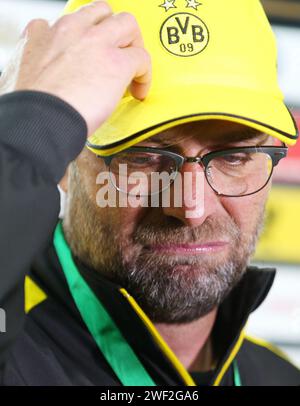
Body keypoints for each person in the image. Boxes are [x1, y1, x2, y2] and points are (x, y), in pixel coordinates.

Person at [0, 0, 299, 386]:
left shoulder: (277, 376)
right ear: (63, 162)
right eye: (144, 157)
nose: (191, 207)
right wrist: (25, 129)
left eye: (236, 156)